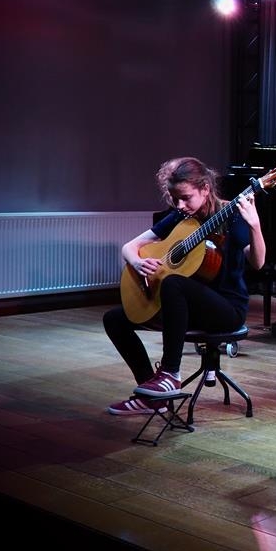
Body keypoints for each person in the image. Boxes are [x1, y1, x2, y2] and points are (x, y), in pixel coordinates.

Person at [103, 156, 265, 415]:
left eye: (186, 198)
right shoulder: (180, 215)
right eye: (176, 198)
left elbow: (257, 262)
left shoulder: (232, 215)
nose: (180, 205)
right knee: (114, 319)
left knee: (173, 283)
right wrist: (137, 262)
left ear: (205, 189)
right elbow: (129, 247)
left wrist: (255, 226)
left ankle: (170, 374)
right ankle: (152, 396)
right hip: (187, 308)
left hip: (227, 309)